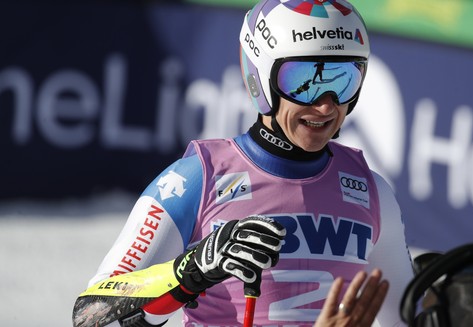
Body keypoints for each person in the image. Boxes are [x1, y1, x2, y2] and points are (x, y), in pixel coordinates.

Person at [72, 0, 414, 326]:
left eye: (344, 79)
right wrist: (190, 272)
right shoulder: (198, 178)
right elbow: (91, 315)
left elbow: (408, 319)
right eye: (304, 82)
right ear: (260, 79)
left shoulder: (372, 191)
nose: (326, 106)